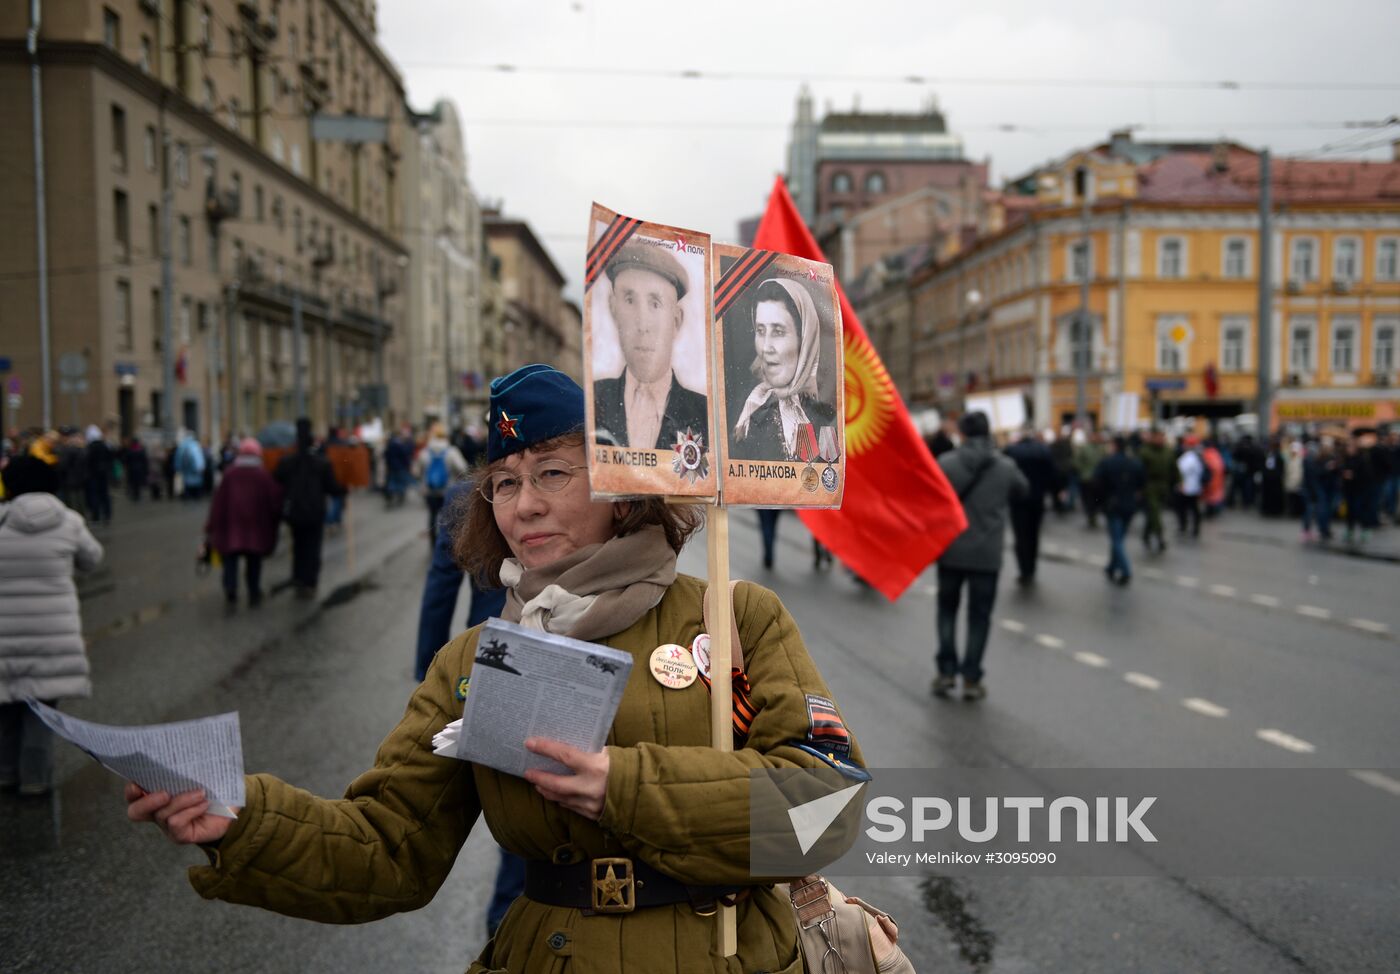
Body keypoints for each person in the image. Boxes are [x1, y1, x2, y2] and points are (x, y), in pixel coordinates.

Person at [125, 363, 875, 974]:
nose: (524, 505)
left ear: (619, 488)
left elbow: (828, 804)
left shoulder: (734, 617)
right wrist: (240, 819)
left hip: (731, 953)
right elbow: (389, 849)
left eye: (552, 473)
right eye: (507, 482)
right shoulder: (474, 659)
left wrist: (626, 785)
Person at [414, 476, 516, 936]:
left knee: (515, 792)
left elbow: (441, 583)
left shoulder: (464, 494)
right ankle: (510, 917)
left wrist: (429, 666)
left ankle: (506, 918)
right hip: (507, 655)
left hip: (492, 653)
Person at [0, 455, 103, 796]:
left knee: (6, 708)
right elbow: (93, 559)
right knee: (41, 712)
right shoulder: (69, 521)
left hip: (5, 636)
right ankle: (35, 780)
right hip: (53, 637)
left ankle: (5, 773)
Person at [932, 411, 1028, 701]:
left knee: (947, 611)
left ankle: (946, 673)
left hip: (951, 551)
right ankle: (971, 679)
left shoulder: (946, 464)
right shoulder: (1006, 466)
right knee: (980, 617)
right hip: (987, 555)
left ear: (961, 433)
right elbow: (1024, 491)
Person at [593, 241, 709, 450]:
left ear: (676, 321)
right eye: (629, 300)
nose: (642, 325)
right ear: (613, 309)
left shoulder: (706, 415)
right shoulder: (592, 401)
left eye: (655, 304)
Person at [730, 278, 837, 461]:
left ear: (803, 339)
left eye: (778, 331)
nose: (765, 347)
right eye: (760, 331)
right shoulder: (744, 415)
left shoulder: (829, 419)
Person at [205, 438, 283, 608]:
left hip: (232, 526)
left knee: (230, 559)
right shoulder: (263, 475)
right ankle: (253, 591)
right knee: (254, 560)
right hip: (256, 526)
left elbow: (218, 502)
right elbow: (274, 501)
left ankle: (230, 588)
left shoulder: (230, 474)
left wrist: (211, 526)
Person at [274, 418, 345, 597]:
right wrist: (344, 488)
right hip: (314, 512)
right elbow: (332, 488)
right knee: (312, 547)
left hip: (295, 511)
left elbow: (275, 479)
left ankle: (299, 576)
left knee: (298, 545)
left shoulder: (288, 462)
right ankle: (309, 579)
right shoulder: (321, 463)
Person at [1003, 427, 1056, 584]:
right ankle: (1031, 568)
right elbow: (1051, 473)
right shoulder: (1044, 451)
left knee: (1021, 536)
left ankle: (1024, 569)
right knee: (1034, 535)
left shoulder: (1012, 451)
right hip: (1038, 498)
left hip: (1018, 501)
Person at [1093, 436, 1146, 585]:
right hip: (1130, 505)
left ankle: (1125, 570)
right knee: (1119, 538)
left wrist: (1099, 502)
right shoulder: (1134, 462)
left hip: (1113, 505)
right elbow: (1142, 482)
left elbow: (1097, 483)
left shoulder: (1107, 462)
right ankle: (1111, 566)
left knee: (1117, 540)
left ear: (1115, 446)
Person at [412, 421, 468, 543]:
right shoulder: (452, 451)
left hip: (430, 490)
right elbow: (462, 468)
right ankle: (444, 543)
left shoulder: (425, 452)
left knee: (432, 515)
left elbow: (416, 471)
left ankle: (433, 541)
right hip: (448, 490)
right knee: (447, 517)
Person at [1138, 429, 1175, 553]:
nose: (1160, 439)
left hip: (1163, 486)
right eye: (1157, 437)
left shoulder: (1167, 451)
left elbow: (1174, 468)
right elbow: (1139, 470)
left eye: (1162, 436)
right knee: (1155, 512)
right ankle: (1160, 537)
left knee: (1154, 513)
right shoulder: (1145, 452)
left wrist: (1179, 481)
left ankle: (1146, 534)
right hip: (1150, 486)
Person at [83, 424, 114, 526]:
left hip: (93, 475)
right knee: (105, 495)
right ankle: (107, 516)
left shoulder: (90, 447)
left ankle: (96, 516)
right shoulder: (105, 446)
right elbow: (111, 459)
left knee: (94, 496)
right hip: (103, 474)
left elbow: (87, 461)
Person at [1175, 436, 1205, 537]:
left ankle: (1185, 526)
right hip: (1194, 487)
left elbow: (1180, 471)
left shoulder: (1189, 457)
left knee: (1184, 509)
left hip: (1186, 488)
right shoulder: (1197, 456)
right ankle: (1194, 528)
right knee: (1193, 509)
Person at [382, 424, 414, 509]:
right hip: (400, 467)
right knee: (400, 482)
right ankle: (399, 496)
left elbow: (386, 455)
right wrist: (408, 466)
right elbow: (404, 456)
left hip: (392, 466)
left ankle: (391, 495)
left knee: (392, 481)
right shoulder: (400, 445)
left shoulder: (390, 445)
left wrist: (388, 465)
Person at [122, 436, 149, 503]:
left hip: (132, 469)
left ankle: (134, 495)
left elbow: (126, 460)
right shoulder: (141, 450)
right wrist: (145, 470)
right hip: (139, 469)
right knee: (137, 483)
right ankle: (137, 495)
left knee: (133, 483)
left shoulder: (130, 450)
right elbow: (144, 461)